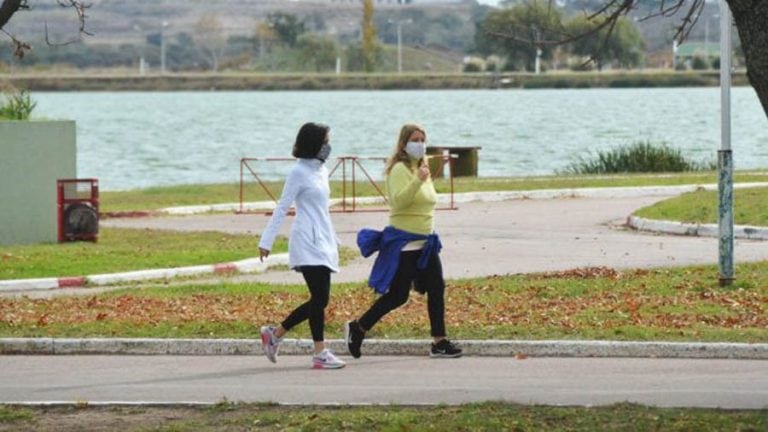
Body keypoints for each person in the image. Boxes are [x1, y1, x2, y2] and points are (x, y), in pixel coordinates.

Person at [345, 123, 462, 359]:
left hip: (426, 243)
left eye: (422, 140)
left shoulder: (423, 168)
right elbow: (398, 202)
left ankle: (439, 342)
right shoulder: (399, 170)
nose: (419, 144)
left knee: (437, 288)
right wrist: (417, 180)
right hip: (405, 243)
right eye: (415, 140)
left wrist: (422, 177)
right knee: (398, 295)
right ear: (404, 143)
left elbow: (427, 202)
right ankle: (358, 327)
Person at [258, 122, 345, 370]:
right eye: (326, 141)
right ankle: (319, 352)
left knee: (320, 299)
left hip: (324, 240)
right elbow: (282, 206)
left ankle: (275, 334)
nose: (329, 146)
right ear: (314, 143)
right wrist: (267, 241)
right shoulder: (298, 172)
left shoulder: (321, 170)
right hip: (306, 240)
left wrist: (334, 238)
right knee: (320, 297)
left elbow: (322, 210)